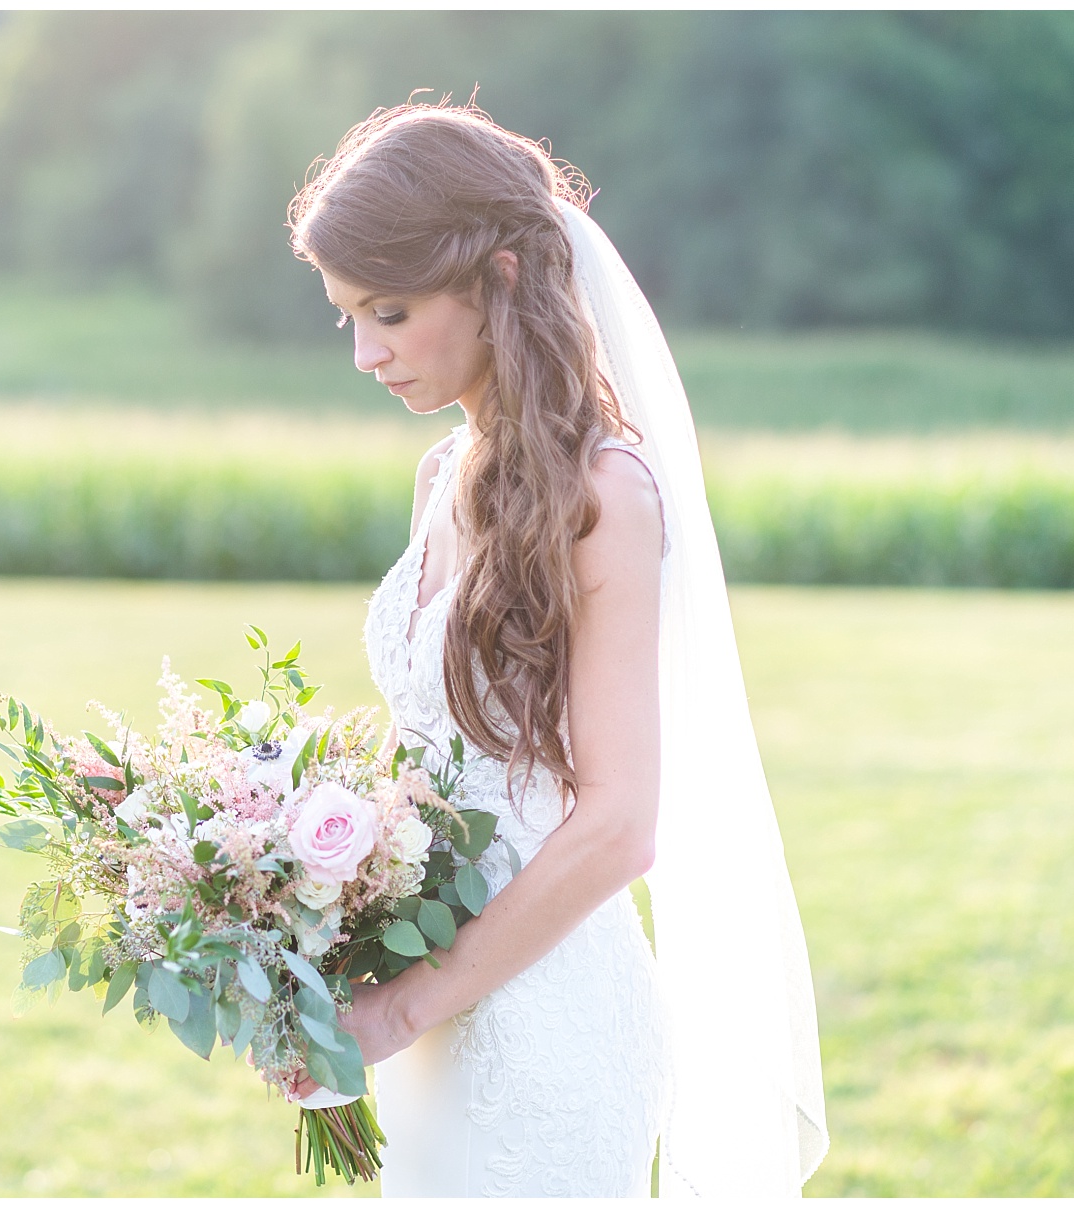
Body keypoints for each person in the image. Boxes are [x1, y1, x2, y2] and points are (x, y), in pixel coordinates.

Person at [280, 102, 829, 1197]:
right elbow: (437, 752)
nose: (365, 351)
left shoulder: (603, 495)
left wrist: (408, 1000)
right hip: (425, 1005)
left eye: (388, 310)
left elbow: (620, 824)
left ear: (498, 278)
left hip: (548, 1026)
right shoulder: (443, 476)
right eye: (346, 315)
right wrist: (296, 876)